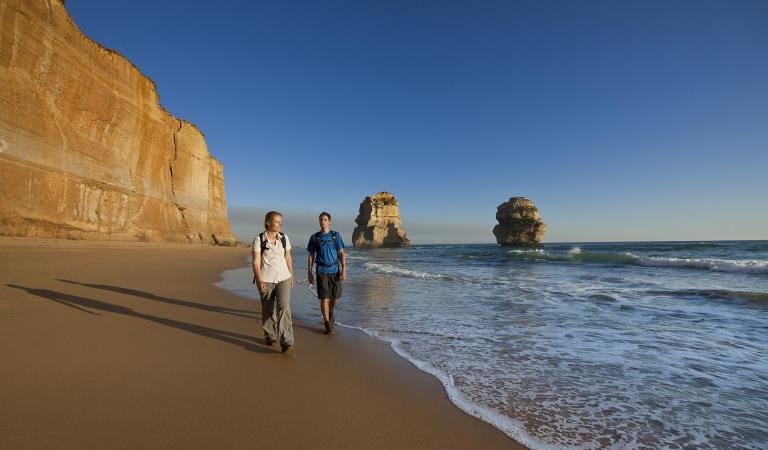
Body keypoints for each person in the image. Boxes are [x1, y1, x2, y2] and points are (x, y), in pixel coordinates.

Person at [252, 211, 295, 353]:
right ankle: (270, 334)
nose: (280, 224)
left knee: (284, 307)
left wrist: (291, 275)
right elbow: (256, 262)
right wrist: (259, 279)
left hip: (284, 277)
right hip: (266, 279)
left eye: (280, 221)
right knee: (268, 309)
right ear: (268, 222)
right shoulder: (259, 239)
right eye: (277, 221)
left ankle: (287, 342)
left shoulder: (284, 238)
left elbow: (288, 257)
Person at [307, 212, 347, 334]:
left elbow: (341, 253)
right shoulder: (315, 237)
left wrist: (344, 268)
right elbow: (311, 255)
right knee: (324, 298)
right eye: (321, 219)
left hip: (335, 270)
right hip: (321, 271)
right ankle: (327, 323)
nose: (322, 221)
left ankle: (330, 312)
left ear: (329, 221)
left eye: (325, 219)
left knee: (334, 298)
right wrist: (309, 271)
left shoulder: (336, 236)